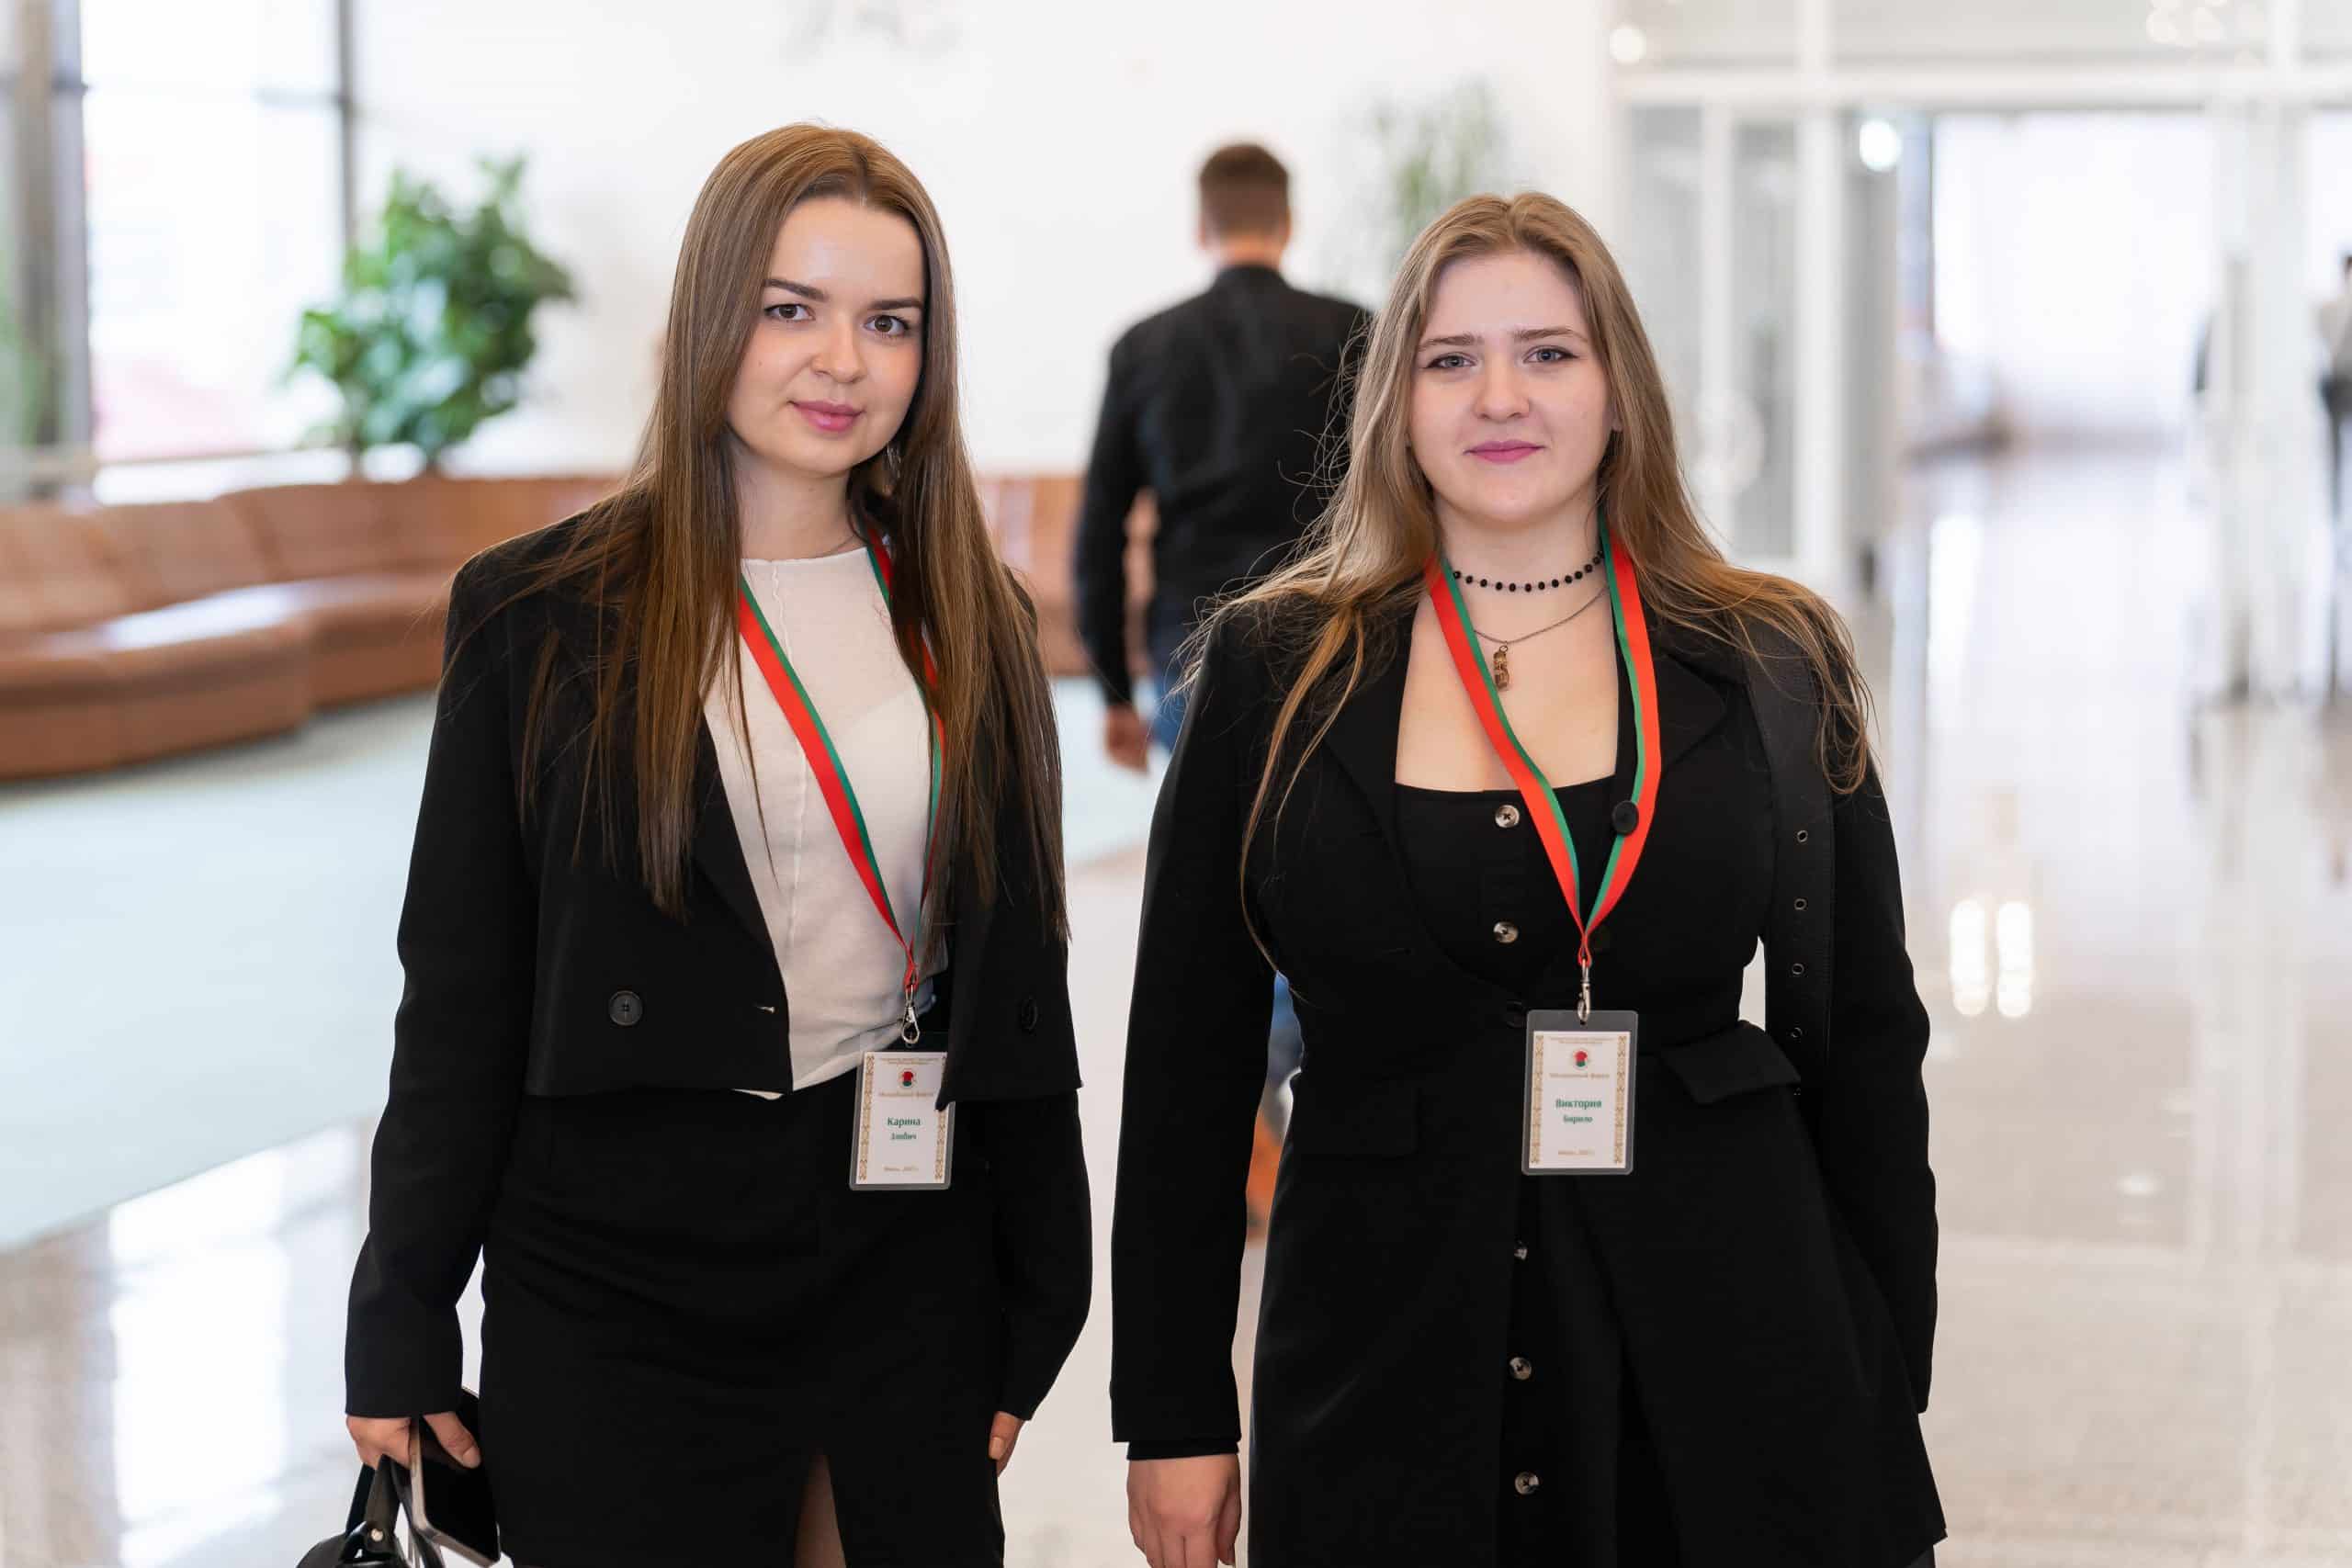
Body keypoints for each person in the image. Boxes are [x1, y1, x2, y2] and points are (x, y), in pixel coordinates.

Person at [1113, 192, 1943, 1568]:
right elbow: (1186, 1068)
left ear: (1620, 391)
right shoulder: (1277, 670)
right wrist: (1175, 1411)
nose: (1499, 395)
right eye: (1451, 359)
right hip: (1378, 1370)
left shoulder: (1768, 658)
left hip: (1729, 1366)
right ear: (1395, 402)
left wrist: (1884, 1383)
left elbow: (1863, 1050)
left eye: (1549, 353)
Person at [340, 125, 1090, 1568]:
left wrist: (1045, 1283)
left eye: (890, 322)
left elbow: (1019, 973)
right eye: (790, 308)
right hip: (617, 1263)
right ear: (710, 317)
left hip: (897, 1237)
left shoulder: (970, 609)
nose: (842, 362)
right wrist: (402, 1307)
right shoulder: (536, 614)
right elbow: (460, 995)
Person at [1073, 141, 1369, 767]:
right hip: (1332, 641)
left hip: (1190, 653)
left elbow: (1099, 533)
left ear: (1201, 228)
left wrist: (1114, 695)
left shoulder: (1142, 348)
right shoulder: (1355, 334)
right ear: (1289, 224)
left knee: (1205, 827)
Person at [2320, 251, 2352, 523]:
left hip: (2337, 386)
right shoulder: (2331, 307)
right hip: (2343, 386)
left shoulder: (2328, 308)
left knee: (2336, 457)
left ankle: (2336, 516)